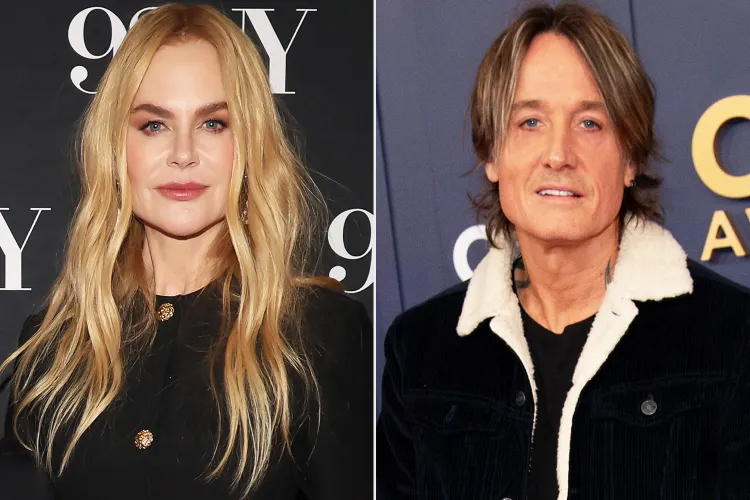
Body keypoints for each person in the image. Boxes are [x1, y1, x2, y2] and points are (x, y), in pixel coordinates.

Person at [377, 2, 750, 499]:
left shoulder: (732, 335)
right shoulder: (421, 349)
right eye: (530, 122)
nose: (558, 154)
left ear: (630, 159)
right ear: (492, 154)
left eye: (589, 123)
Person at [0, 4, 372, 499]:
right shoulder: (55, 346)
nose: (183, 153)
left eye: (213, 123)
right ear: (115, 148)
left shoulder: (318, 333)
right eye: (154, 125)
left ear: (251, 144)